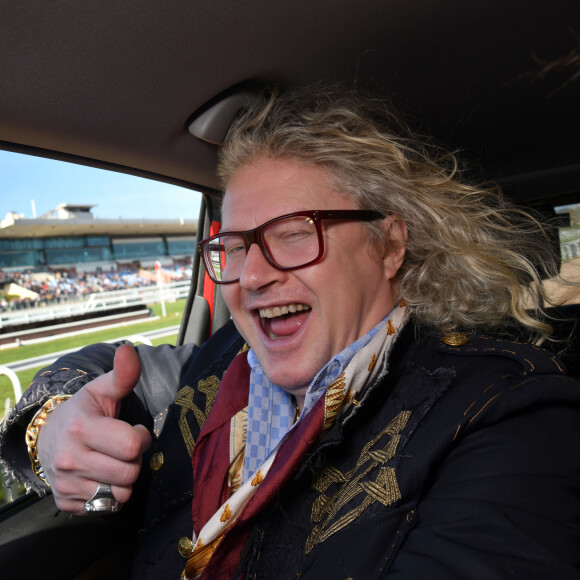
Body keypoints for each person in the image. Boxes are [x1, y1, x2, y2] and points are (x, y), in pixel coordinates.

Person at [1, 84, 579, 579]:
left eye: (295, 232)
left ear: (390, 245)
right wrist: (51, 431)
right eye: (231, 245)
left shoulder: (511, 417)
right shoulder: (226, 356)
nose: (250, 276)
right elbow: (110, 367)